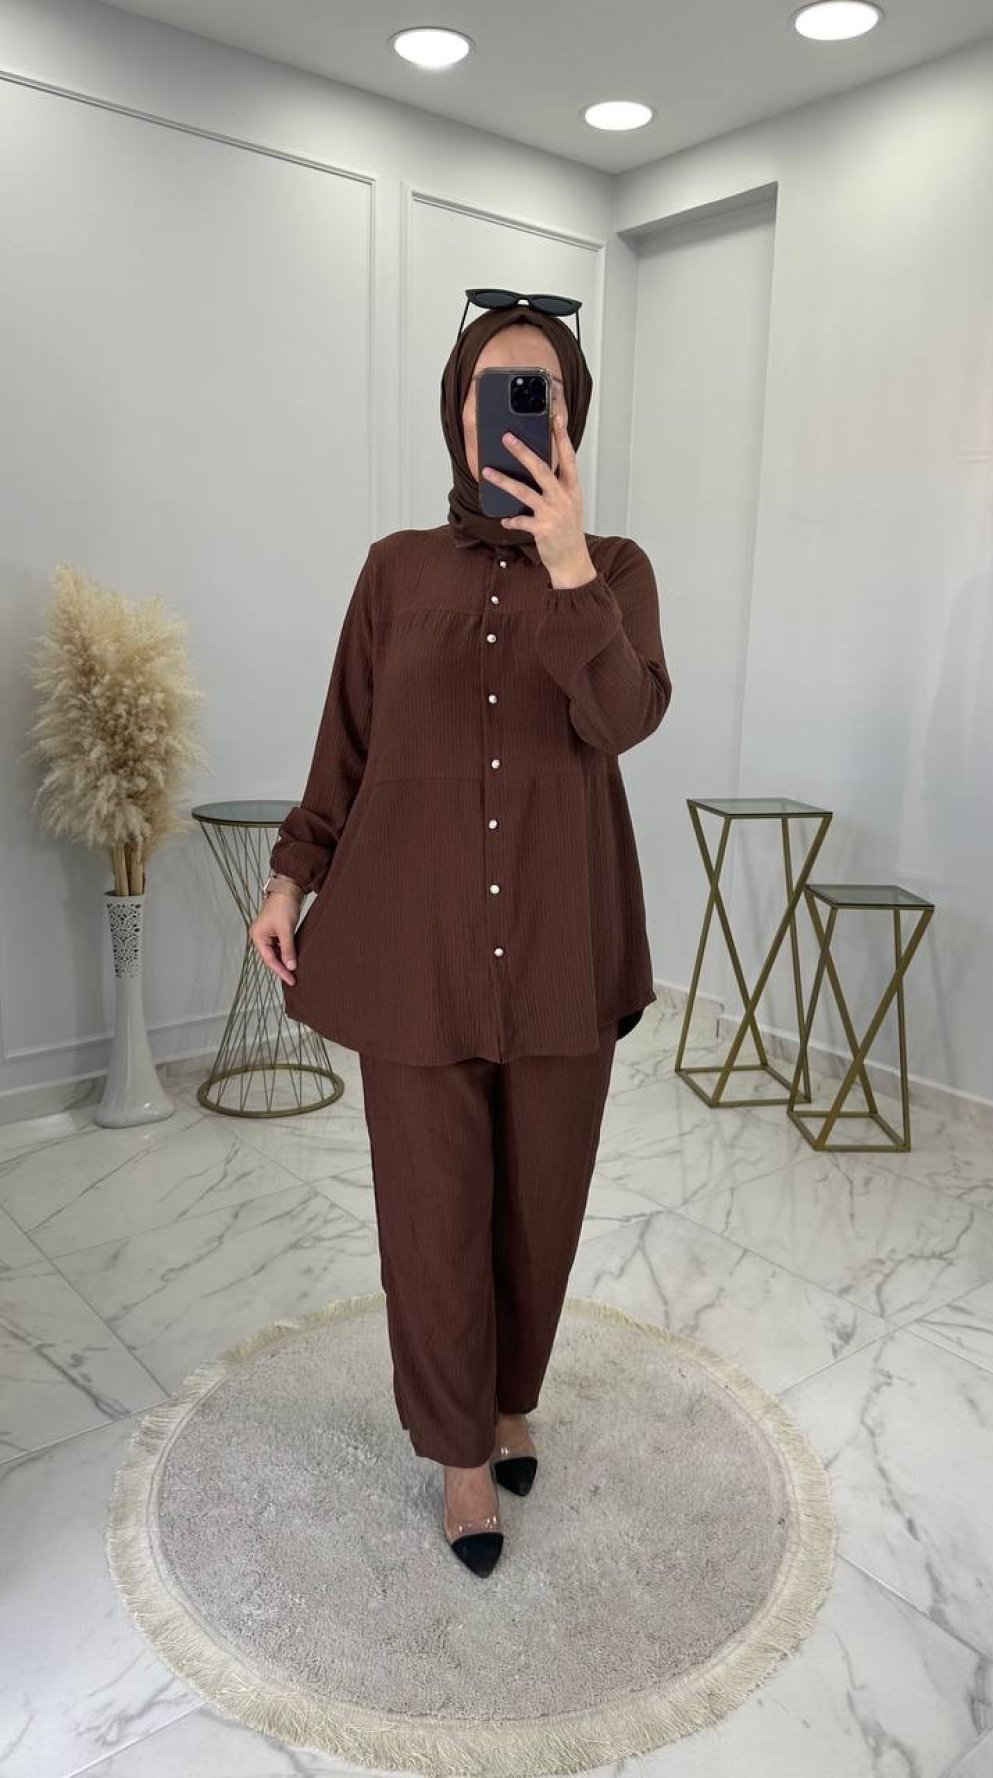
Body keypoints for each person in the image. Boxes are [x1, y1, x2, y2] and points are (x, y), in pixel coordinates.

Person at [251, 292, 672, 1577]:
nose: (516, 414)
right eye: (497, 390)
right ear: (458, 409)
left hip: (561, 944)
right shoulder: (394, 570)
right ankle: (461, 1458)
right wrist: (291, 874)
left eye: (542, 393)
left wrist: (566, 566)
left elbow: (624, 719)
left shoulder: (616, 569)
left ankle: (509, 1395)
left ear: (572, 415)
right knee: (433, 1221)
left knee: (539, 1210)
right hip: (412, 944)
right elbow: (347, 739)